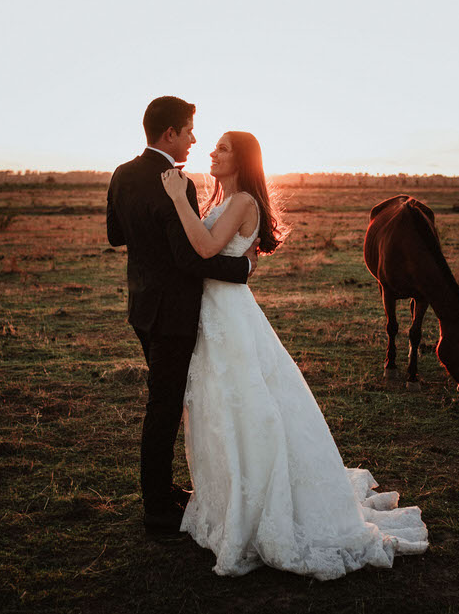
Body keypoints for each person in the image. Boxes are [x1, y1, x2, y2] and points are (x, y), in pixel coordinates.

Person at [159, 131, 429, 580]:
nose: (212, 151)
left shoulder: (244, 200)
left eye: (223, 148)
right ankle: (226, 498)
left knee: (249, 409)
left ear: (242, 159)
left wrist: (176, 198)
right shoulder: (217, 202)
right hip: (212, 316)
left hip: (231, 317)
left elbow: (205, 250)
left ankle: (263, 502)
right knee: (216, 408)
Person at [106, 97, 257, 540]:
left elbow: (117, 236)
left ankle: (163, 490)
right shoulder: (178, 183)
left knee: (165, 400)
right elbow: (189, 258)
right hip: (173, 313)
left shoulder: (121, 174)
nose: (195, 138)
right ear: (169, 133)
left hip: (141, 308)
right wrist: (241, 269)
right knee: (164, 407)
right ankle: (156, 508)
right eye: (189, 130)